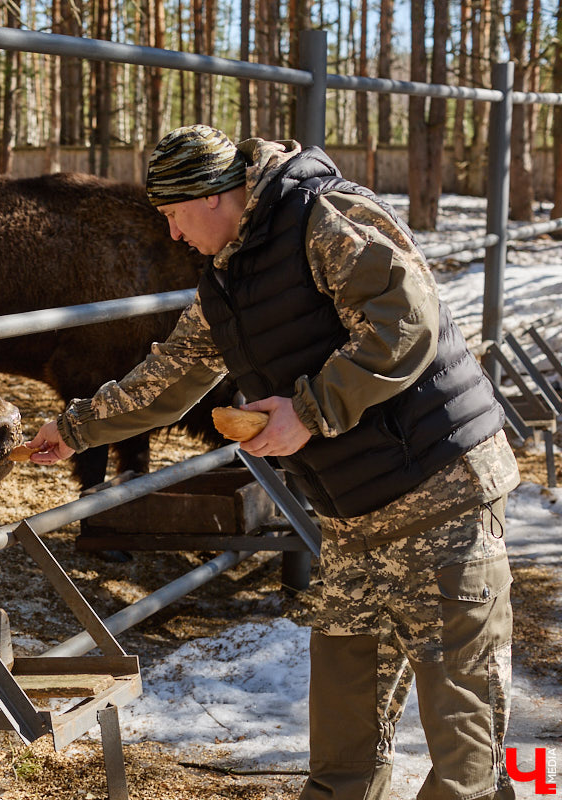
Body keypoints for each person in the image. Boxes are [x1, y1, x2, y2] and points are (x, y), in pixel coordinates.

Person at [26, 124, 520, 800]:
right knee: (342, 746)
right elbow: (170, 377)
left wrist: (310, 411)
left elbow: (406, 318)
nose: (171, 235)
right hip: (355, 519)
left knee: (464, 753)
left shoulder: (323, 218)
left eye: (173, 216)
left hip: (440, 492)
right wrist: (76, 427)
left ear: (212, 197)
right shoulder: (226, 279)